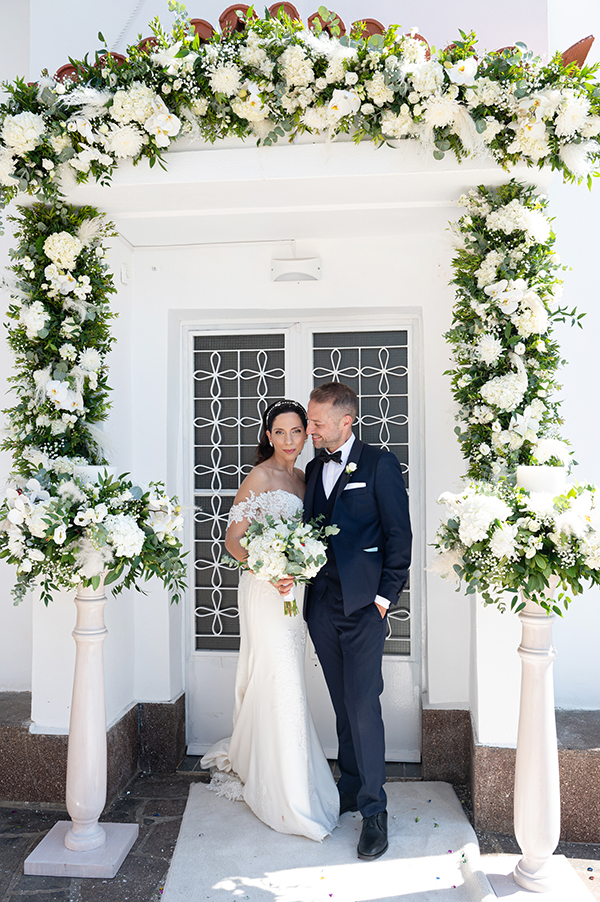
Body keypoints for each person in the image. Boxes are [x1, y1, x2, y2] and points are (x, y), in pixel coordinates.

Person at [200, 399, 339, 841]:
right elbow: (233, 541)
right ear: (268, 436)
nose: (289, 440)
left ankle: (283, 766)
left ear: (306, 433)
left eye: (297, 431)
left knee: (286, 675)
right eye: (280, 432)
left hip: (294, 591)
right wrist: (269, 568)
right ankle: (286, 791)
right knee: (279, 676)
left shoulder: (306, 478)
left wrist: (298, 566)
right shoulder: (259, 477)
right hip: (265, 590)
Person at [303, 381, 412, 861]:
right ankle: (349, 785)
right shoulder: (313, 468)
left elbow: (399, 537)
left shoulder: (379, 464)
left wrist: (383, 600)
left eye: (317, 422)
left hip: (365, 608)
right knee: (342, 703)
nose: (309, 429)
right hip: (322, 605)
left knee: (364, 704)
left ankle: (374, 810)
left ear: (345, 422)